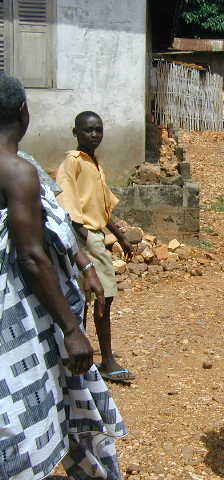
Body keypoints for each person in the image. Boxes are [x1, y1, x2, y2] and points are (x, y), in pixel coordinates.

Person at [0, 72, 127, 480]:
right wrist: (72, 329)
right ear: (24, 111)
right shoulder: (18, 171)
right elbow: (33, 256)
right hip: (21, 312)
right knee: (36, 402)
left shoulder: (35, 168)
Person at [56, 111, 136, 384]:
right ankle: (105, 360)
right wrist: (84, 240)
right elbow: (68, 207)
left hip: (95, 234)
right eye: (88, 130)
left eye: (98, 130)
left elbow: (101, 207)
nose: (94, 135)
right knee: (101, 297)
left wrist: (120, 235)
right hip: (84, 237)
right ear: (75, 132)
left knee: (96, 298)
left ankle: (88, 359)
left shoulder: (94, 163)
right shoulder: (73, 162)